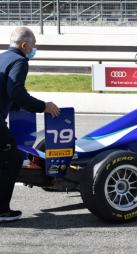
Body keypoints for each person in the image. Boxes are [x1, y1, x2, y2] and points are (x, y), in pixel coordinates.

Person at [0, 27, 60, 222]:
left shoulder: (3, 57)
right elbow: (16, 92)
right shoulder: (19, 61)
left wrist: (18, 106)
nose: (34, 50)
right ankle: (2, 211)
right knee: (13, 158)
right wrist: (43, 106)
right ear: (24, 45)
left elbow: (7, 91)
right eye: (33, 46)